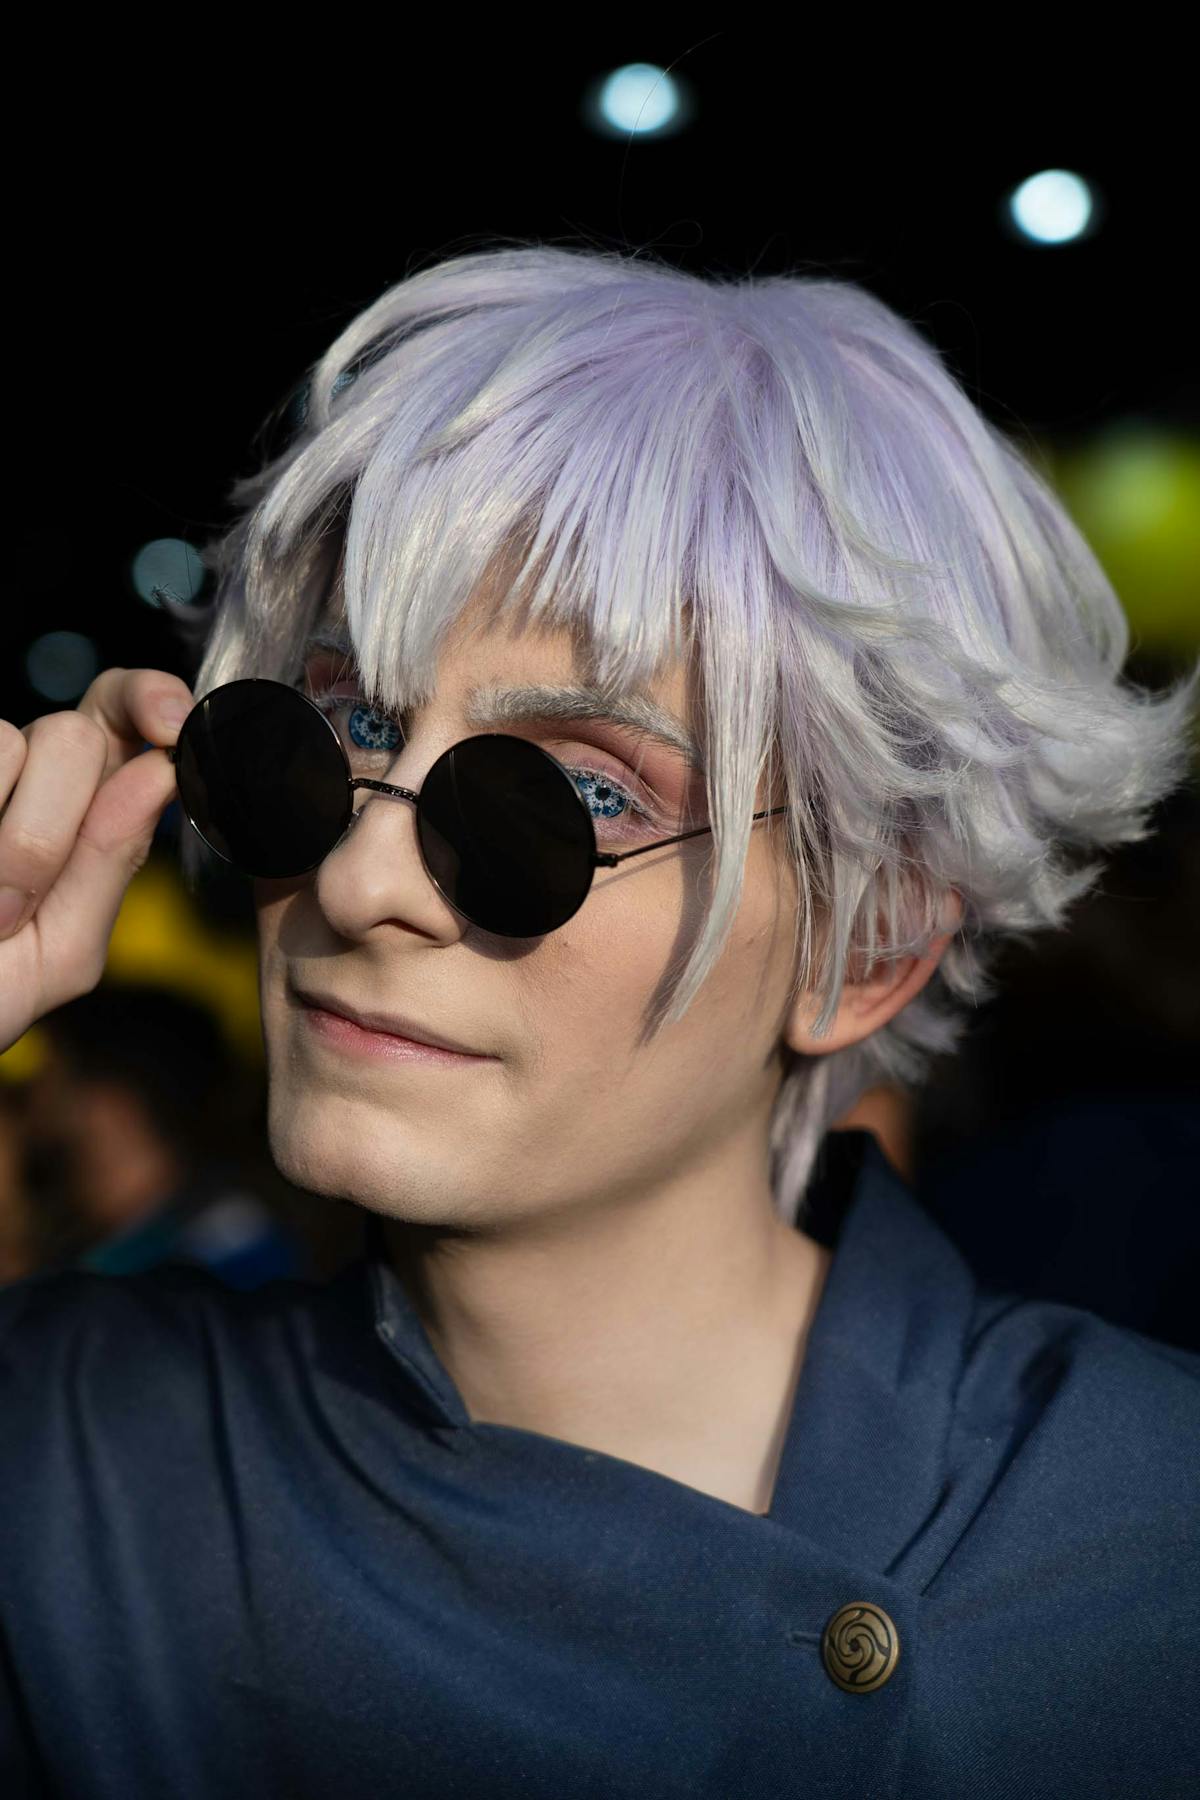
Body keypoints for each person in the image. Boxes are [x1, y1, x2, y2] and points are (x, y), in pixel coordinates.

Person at [1, 240, 1197, 1797]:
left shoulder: (1143, 1531)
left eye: (571, 797)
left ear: (869, 948)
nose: (362, 877)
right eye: (343, 726)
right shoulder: (66, 1463)